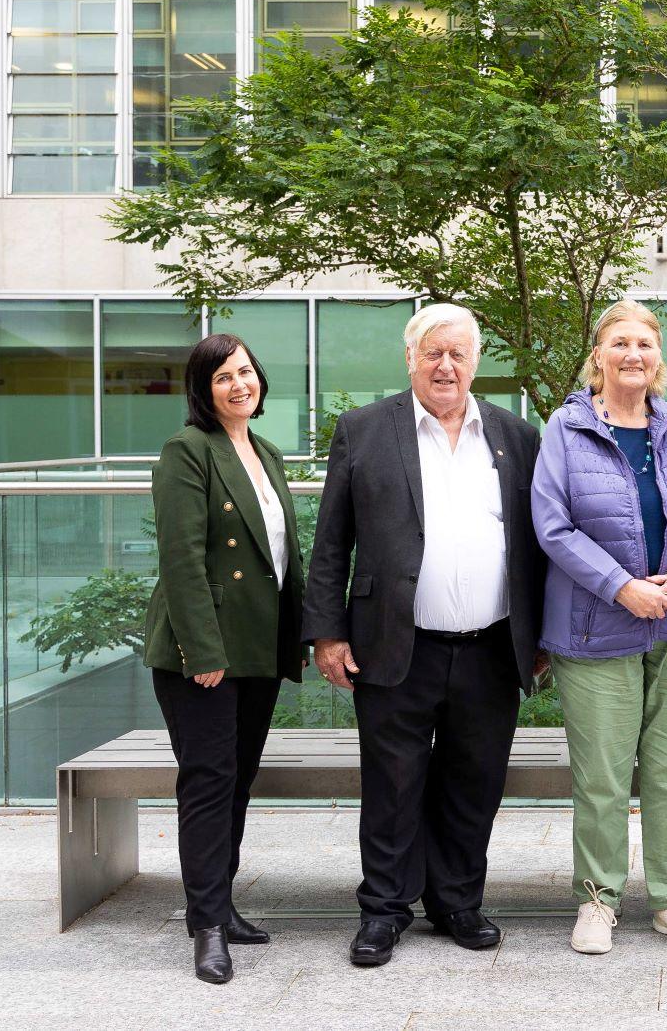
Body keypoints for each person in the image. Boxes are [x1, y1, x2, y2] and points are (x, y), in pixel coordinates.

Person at [300, 303, 545, 969]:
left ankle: (457, 903)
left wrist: (541, 634)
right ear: (410, 358)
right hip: (392, 643)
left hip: (492, 646)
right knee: (393, 784)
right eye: (433, 353)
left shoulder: (516, 436)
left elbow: (537, 546)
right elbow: (330, 543)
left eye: (458, 353)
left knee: (474, 782)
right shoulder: (363, 431)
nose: (445, 365)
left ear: (476, 361)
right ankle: (383, 910)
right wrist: (326, 633)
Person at [532, 300, 667, 956]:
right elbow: (553, 527)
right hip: (595, 630)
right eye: (620, 343)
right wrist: (622, 587)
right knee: (604, 778)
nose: (632, 354)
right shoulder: (565, 428)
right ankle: (597, 901)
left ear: (657, 357)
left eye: (644, 342)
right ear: (599, 355)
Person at [141, 333, 306, 985]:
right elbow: (181, 558)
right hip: (204, 652)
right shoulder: (189, 450)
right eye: (222, 377)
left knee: (236, 781)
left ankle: (222, 903)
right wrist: (201, 651)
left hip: (258, 646)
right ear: (203, 390)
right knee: (208, 783)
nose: (239, 384)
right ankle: (206, 925)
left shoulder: (265, 451)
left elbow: (280, 558)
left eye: (245, 372)